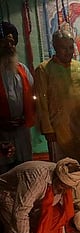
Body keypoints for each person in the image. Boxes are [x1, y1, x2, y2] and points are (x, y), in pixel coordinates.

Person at [34, 29, 80, 165]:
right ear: (55, 47)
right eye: (63, 48)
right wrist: (48, 130)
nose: (68, 51)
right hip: (59, 131)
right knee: (62, 169)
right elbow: (41, 103)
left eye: (71, 47)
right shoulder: (44, 69)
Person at [0, 21, 34, 174]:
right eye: (5, 43)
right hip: (1, 133)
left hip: (21, 132)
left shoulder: (22, 69)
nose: (10, 47)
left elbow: (33, 97)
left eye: (12, 42)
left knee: (24, 170)